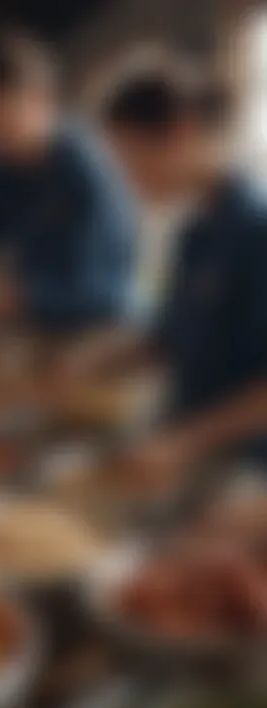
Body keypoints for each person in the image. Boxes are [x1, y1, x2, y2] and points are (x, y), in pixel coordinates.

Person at [48, 57, 267, 493]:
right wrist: (99, 358)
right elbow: (169, 337)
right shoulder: (196, 233)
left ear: (181, 133)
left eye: (133, 160)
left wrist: (185, 441)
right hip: (188, 453)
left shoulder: (256, 231)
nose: (129, 181)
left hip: (247, 478)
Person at [0, 30, 136, 335]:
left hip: (103, 335)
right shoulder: (4, 166)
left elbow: (97, 291)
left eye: (6, 123)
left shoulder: (84, 170)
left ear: (43, 102)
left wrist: (7, 297)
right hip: (38, 329)